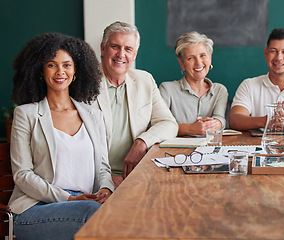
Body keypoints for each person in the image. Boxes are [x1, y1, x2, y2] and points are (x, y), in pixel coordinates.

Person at [9, 32, 114, 240]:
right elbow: (22, 175)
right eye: (51, 64)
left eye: (67, 65)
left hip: (87, 202)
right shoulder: (26, 114)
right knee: (95, 214)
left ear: (76, 72)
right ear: (41, 71)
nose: (60, 71)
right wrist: (67, 199)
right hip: (36, 208)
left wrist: (106, 188)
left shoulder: (94, 116)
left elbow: (103, 167)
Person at [92, 21, 178, 188]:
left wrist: (142, 142)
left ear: (135, 54)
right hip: (94, 178)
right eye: (115, 46)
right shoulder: (83, 83)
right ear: (103, 48)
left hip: (136, 174)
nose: (121, 54)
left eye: (128, 49)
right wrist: (105, 179)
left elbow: (169, 123)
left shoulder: (144, 80)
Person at [159, 31, 228, 136]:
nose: (198, 63)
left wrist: (216, 123)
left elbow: (220, 119)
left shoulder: (220, 90)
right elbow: (159, 125)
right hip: (175, 151)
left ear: (210, 58)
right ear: (182, 63)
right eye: (190, 58)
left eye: (203, 55)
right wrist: (189, 128)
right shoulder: (167, 89)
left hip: (210, 149)